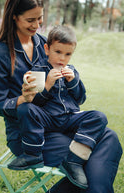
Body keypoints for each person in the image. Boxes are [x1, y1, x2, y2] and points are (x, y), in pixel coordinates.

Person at [0, 0, 122, 193]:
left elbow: (72, 86)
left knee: (109, 138)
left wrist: (71, 80)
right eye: (31, 20)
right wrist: (22, 99)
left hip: (59, 122)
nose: (37, 25)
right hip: (30, 134)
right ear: (14, 16)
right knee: (91, 156)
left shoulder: (42, 43)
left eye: (40, 18)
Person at [7, 25, 108, 189]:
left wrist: (73, 81)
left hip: (69, 118)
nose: (62, 58)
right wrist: (47, 84)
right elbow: (34, 102)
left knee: (99, 117)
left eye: (68, 54)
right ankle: (33, 155)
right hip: (48, 119)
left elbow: (81, 98)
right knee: (25, 109)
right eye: (58, 52)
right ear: (47, 49)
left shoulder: (72, 71)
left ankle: (74, 160)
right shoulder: (38, 70)